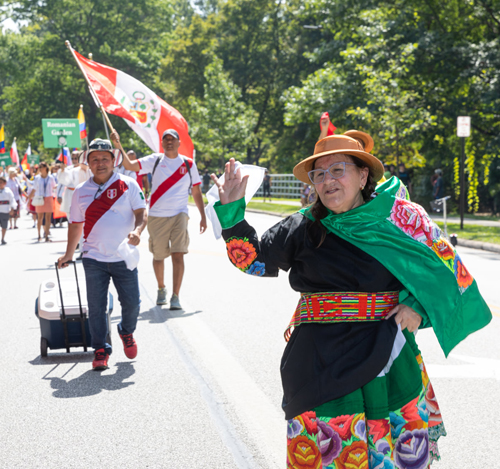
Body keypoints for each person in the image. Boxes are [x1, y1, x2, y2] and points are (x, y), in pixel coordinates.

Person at [210, 135, 491, 468]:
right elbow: (254, 260)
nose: (328, 180)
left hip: (385, 356)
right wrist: (232, 213)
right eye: (319, 174)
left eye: (338, 170)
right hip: (317, 362)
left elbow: (450, 272)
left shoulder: (401, 218)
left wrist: (418, 306)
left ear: (362, 176)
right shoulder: (302, 226)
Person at [57, 138, 147, 371]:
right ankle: (100, 349)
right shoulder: (80, 192)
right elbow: (75, 225)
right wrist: (68, 255)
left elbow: (141, 213)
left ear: (114, 160)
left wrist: (137, 231)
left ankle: (126, 332)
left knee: (132, 304)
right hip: (93, 258)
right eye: (94, 159)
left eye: (104, 159)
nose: (100, 163)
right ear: (88, 163)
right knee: (95, 307)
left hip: (123, 256)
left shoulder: (128, 184)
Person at [115, 128, 207, 310]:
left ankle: (175, 296)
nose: (169, 142)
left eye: (173, 139)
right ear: (162, 143)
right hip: (157, 215)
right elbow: (130, 165)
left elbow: (196, 191)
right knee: (158, 256)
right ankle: (161, 288)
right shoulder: (155, 160)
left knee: (178, 254)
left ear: (179, 143)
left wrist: (203, 216)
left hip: (180, 214)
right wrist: (118, 145)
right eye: (166, 139)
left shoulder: (188, 164)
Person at [28, 162, 56, 242]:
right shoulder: (37, 178)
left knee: (48, 218)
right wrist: (29, 199)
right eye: (40, 167)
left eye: (42, 166)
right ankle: (39, 235)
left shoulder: (51, 177)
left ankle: (46, 235)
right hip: (39, 198)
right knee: (39, 218)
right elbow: (34, 189)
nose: (41, 168)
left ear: (46, 168)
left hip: (49, 197)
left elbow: (54, 186)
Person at [0, 175, 18, 245]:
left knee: (4, 226)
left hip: (5, 211)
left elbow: (12, 200)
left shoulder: (8, 191)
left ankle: (3, 238)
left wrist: (12, 209)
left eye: (1, 182)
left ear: (5, 183)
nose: (0, 184)